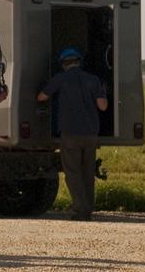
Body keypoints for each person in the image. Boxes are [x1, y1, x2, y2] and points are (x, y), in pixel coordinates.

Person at [37, 47, 108, 221]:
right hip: (91, 133)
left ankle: (80, 209)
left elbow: (41, 97)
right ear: (79, 61)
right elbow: (103, 106)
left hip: (70, 134)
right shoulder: (93, 80)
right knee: (87, 172)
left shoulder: (60, 79)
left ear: (63, 64)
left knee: (73, 172)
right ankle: (88, 208)